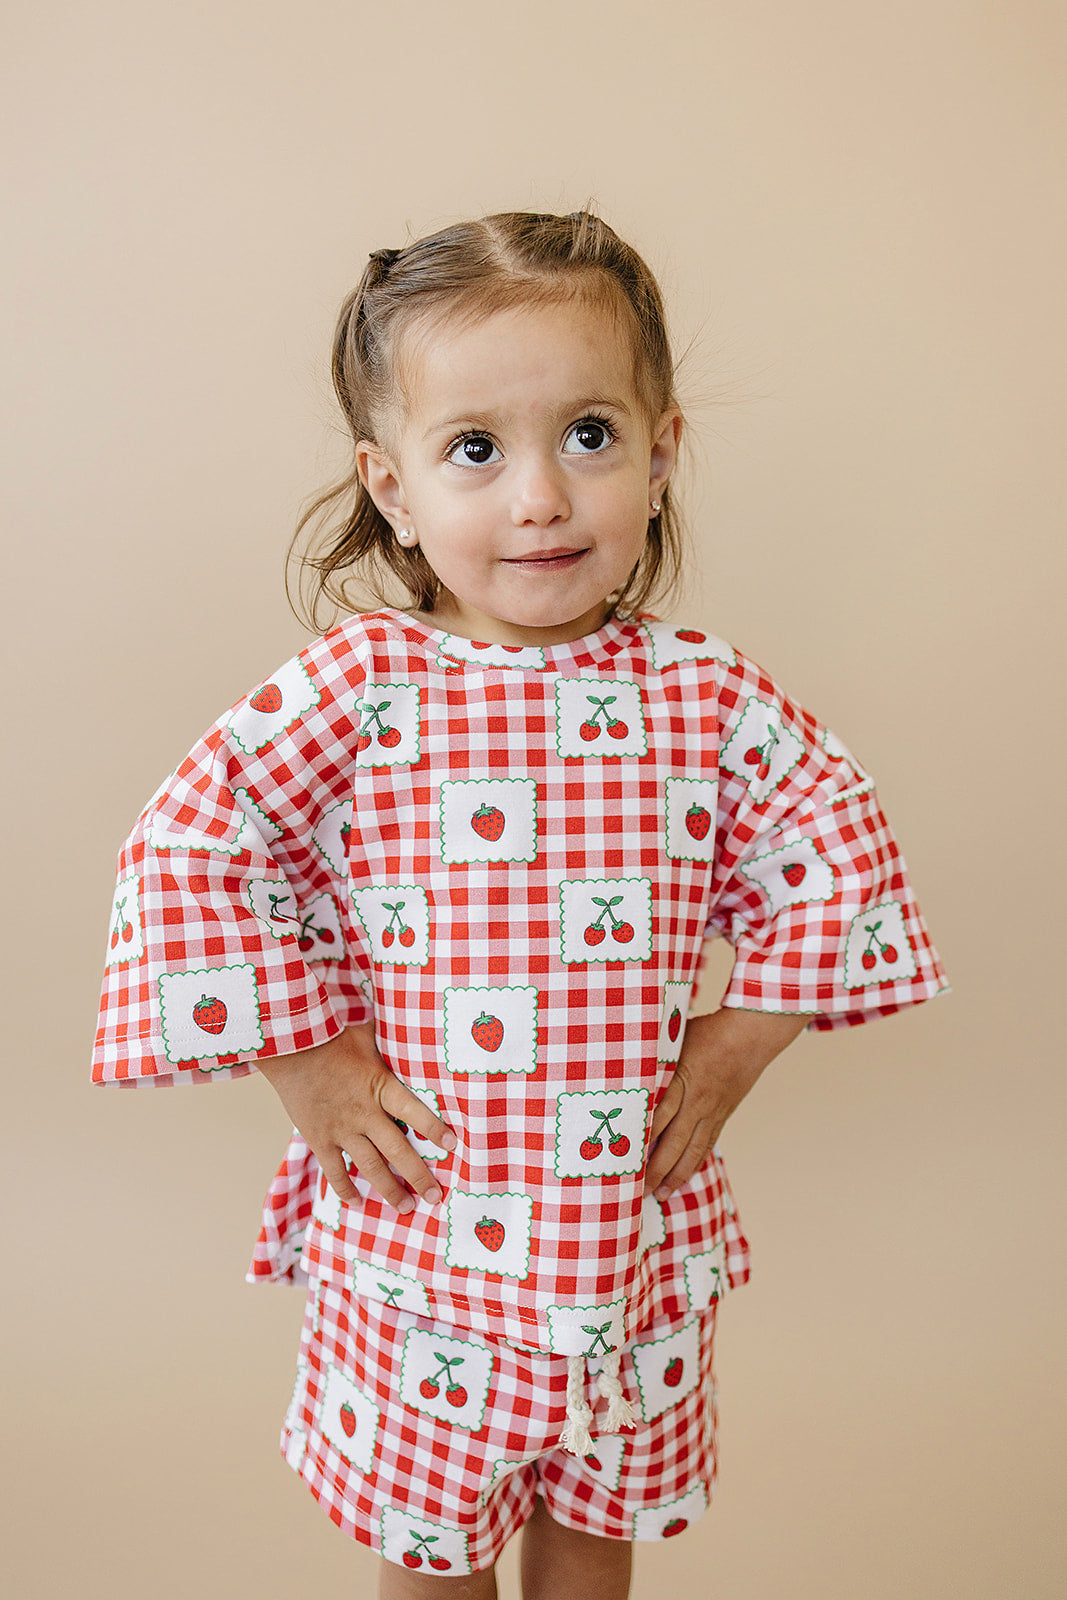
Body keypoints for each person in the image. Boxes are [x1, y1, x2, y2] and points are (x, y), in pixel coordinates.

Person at [92, 210, 947, 1600]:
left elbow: (836, 843)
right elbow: (190, 845)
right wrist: (308, 1062)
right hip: (425, 1232)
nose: (541, 496)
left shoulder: (705, 698)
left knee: (595, 1530)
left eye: (590, 435)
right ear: (392, 485)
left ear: (661, 456)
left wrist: (738, 1043)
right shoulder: (361, 693)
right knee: (433, 1554)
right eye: (476, 449)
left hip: (627, 1232)